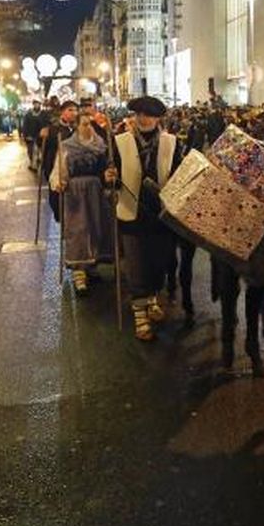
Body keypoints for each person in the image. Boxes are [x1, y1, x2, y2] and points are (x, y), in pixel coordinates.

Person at [109, 96, 184, 342]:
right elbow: (110, 176)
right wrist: (108, 176)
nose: (143, 119)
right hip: (131, 212)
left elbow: (180, 174)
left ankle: (152, 298)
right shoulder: (119, 142)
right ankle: (140, 313)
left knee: (158, 262)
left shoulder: (172, 143)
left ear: (158, 118)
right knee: (136, 264)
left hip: (160, 215)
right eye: (139, 114)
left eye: (148, 115)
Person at [50, 112, 114, 293]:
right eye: (85, 124)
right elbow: (60, 170)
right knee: (79, 230)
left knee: (96, 228)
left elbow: (105, 168)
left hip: (96, 191)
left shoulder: (101, 146)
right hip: (76, 194)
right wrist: (60, 181)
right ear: (77, 126)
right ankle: (79, 273)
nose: (88, 128)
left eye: (91, 124)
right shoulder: (67, 146)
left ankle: (92, 265)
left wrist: (107, 176)